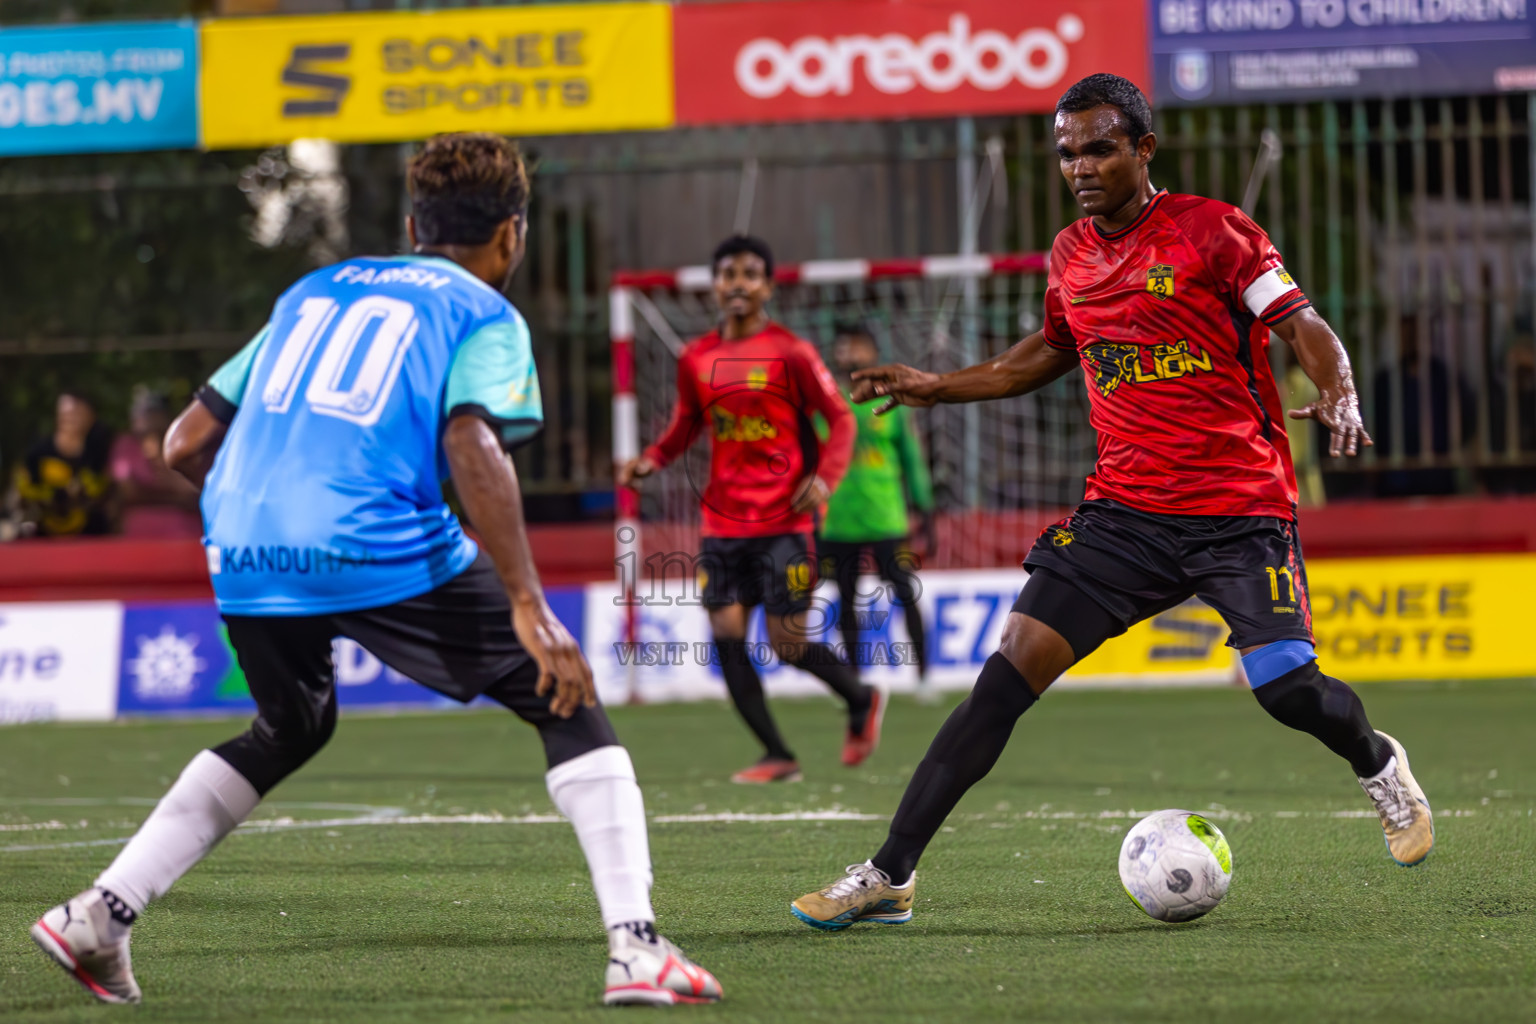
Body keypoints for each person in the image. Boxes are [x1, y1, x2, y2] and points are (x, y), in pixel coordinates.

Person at [29, 133, 720, 1008]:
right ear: (512, 235)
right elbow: (472, 439)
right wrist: (526, 601)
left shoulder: (314, 290)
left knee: (291, 726)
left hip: (240, 543)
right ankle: (638, 948)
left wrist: (267, 513)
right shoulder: (482, 311)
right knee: (564, 695)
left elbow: (183, 444)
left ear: (409, 225)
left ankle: (100, 915)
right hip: (373, 535)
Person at [789, 74, 1434, 931]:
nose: (1081, 166)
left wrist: (1339, 386)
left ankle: (1378, 762)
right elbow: (1044, 355)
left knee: (1287, 691)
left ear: (1142, 149)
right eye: (1066, 153)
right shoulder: (1071, 254)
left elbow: (1301, 323)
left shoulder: (1215, 231)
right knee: (1003, 679)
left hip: (1238, 511)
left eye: (1098, 147)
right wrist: (938, 388)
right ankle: (889, 874)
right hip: (1123, 517)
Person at [619, 236, 883, 784]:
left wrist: (825, 479)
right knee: (727, 637)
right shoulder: (696, 357)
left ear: (767, 285)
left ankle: (861, 699)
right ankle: (776, 754)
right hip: (721, 524)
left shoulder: (792, 353)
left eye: (749, 274)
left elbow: (843, 420)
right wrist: (652, 459)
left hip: (784, 522)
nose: (737, 283)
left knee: (787, 644)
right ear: (714, 284)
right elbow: (685, 425)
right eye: (727, 273)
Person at [818, 323, 934, 699]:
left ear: (872, 351)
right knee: (845, 600)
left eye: (857, 346)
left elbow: (912, 457)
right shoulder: (824, 401)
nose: (849, 353)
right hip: (838, 519)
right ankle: (854, 684)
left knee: (904, 591)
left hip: (886, 516)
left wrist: (925, 508)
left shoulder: (892, 401)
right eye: (843, 346)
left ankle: (923, 676)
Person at [11, 390, 114, 537]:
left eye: (77, 413)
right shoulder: (36, 455)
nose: (71, 418)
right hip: (43, 539)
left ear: (91, 417)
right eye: (66, 413)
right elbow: (23, 498)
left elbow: (106, 496)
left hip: (92, 539)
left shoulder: (101, 454)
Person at [109, 387, 202, 538]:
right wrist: (177, 497)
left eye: (151, 412)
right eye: (139, 413)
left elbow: (199, 496)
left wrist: (151, 493)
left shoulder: (185, 442)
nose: (144, 418)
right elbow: (128, 493)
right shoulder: (126, 445)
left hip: (187, 537)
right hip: (140, 539)